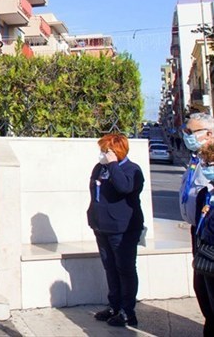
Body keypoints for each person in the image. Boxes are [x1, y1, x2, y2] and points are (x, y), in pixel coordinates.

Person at [87, 133, 145, 328]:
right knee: (110, 267)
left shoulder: (131, 169)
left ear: (116, 151)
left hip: (123, 229)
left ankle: (128, 311)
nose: (102, 154)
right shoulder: (100, 169)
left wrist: (113, 165)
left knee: (125, 268)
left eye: (106, 150)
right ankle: (114, 305)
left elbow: (124, 187)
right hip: (101, 226)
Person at [185, 113, 214, 334]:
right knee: (203, 290)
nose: (187, 136)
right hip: (201, 234)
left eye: (191, 132)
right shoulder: (196, 160)